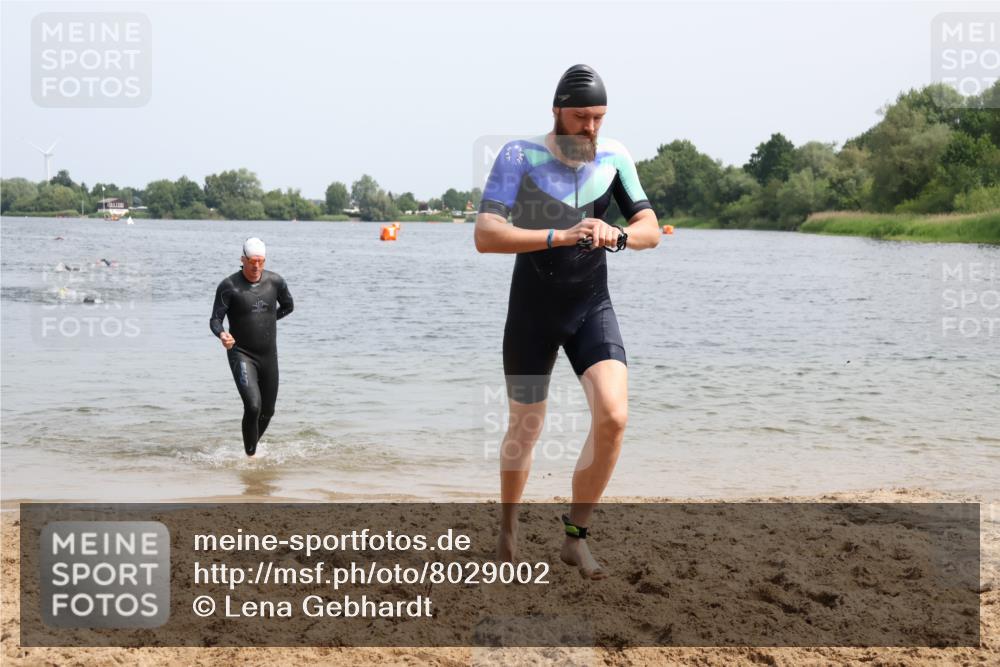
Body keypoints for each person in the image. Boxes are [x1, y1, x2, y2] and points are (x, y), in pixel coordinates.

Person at [474, 64, 660, 579]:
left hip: (590, 308)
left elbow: (650, 228)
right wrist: (558, 235)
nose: (590, 128)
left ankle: (575, 538)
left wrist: (616, 234)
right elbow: (487, 234)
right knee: (526, 426)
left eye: (598, 117)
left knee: (614, 416)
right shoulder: (519, 157)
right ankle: (508, 529)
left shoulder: (615, 156)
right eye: (581, 117)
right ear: (556, 111)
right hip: (531, 312)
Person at [209, 237, 294, 456]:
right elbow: (215, 320)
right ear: (242, 259)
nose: (256, 266)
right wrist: (222, 334)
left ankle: (250, 447)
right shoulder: (229, 286)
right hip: (241, 353)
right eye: (252, 261)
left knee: (268, 411)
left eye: (261, 261)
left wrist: (266, 319)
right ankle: (250, 459)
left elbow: (288, 306)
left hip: (268, 356)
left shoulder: (275, 282)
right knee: (253, 406)